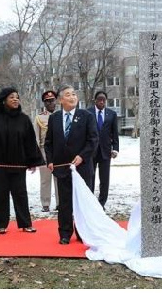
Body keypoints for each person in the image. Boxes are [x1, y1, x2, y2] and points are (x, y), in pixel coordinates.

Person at [0, 87, 42, 234]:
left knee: (20, 193)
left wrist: (33, 161)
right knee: (0, 193)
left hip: (18, 164)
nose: (15, 99)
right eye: (12, 97)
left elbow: (30, 141)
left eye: (17, 97)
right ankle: (1, 224)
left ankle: (25, 223)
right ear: (4, 100)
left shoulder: (24, 119)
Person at [44, 84, 98, 245]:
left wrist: (82, 156)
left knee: (81, 201)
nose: (72, 97)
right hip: (62, 168)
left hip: (82, 167)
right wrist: (50, 160)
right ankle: (65, 233)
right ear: (61, 100)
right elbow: (48, 142)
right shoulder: (54, 118)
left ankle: (83, 232)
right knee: (65, 202)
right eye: (68, 94)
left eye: (74, 94)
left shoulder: (86, 116)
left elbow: (93, 140)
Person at [87, 90, 119, 208]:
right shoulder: (88, 113)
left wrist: (115, 148)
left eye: (103, 100)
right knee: (91, 177)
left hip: (106, 151)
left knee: (104, 179)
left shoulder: (111, 114)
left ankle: (101, 203)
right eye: (99, 99)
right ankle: (90, 203)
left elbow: (114, 133)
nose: (101, 101)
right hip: (91, 151)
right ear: (95, 100)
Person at [35, 90, 59, 213]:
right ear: (44, 103)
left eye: (52, 101)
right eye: (48, 101)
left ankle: (60, 203)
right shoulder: (40, 117)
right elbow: (37, 138)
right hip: (44, 151)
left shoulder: (61, 115)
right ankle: (45, 203)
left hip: (59, 151)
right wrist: (38, 156)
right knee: (45, 179)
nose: (51, 103)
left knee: (59, 178)